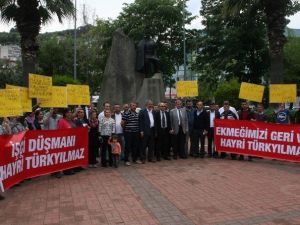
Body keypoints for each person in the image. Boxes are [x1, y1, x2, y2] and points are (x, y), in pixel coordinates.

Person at [43, 108, 63, 178]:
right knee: (51, 155)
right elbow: (44, 123)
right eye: (53, 108)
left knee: (57, 155)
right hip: (49, 139)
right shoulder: (46, 115)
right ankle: (53, 170)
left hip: (58, 138)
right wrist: (50, 114)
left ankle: (58, 170)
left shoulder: (59, 116)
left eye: (56, 108)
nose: (55, 110)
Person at [57, 108, 77, 175]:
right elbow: (59, 132)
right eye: (68, 112)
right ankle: (65, 170)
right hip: (64, 141)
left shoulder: (71, 121)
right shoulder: (61, 121)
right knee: (65, 156)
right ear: (65, 114)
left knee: (70, 155)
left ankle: (70, 168)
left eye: (70, 112)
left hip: (72, 141)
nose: (70, 113)